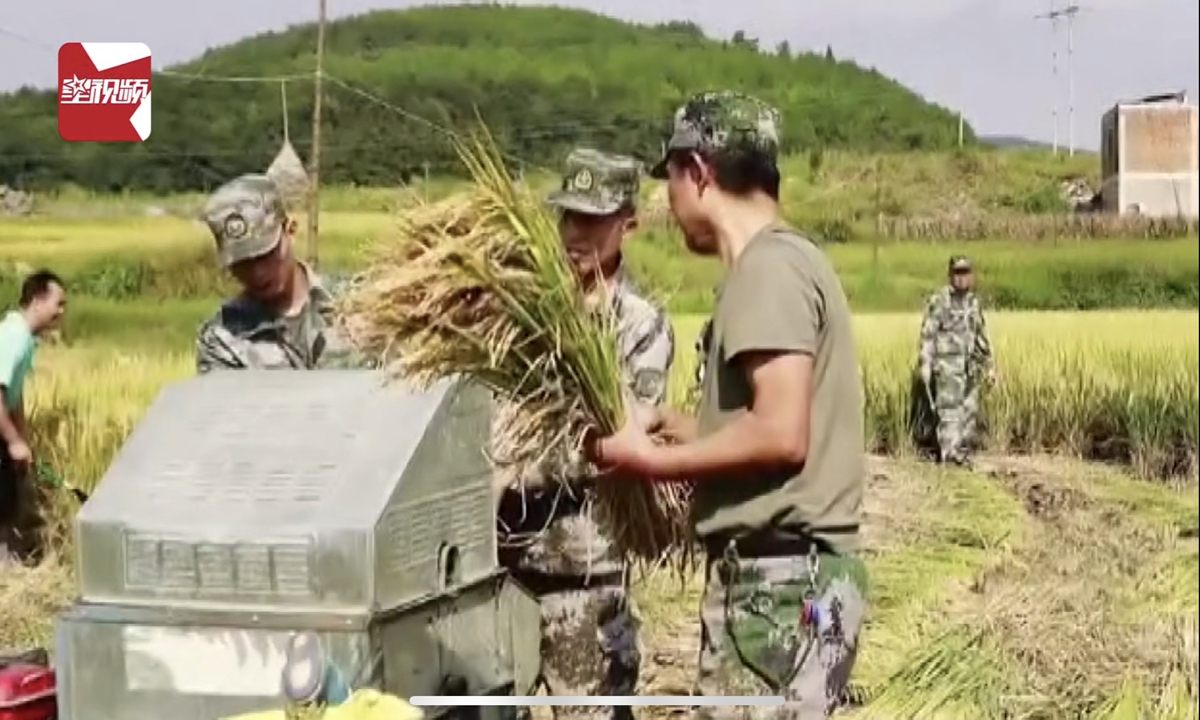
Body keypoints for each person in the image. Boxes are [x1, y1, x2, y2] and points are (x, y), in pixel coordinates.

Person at [585, 91, 868, 719]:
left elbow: (781, 432)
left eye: (672, 181)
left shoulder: (766, 270)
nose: (668, 202)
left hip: (776, 586)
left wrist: (648, 462)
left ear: (700, 173)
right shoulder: (792, 261)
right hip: (803, 581)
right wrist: (686, 429)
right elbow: (782, 424)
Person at [493, 147, 674, 720]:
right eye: (569, 216)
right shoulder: (523, 311)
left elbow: (626, 439)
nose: (577, 232)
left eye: (594, 220)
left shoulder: (640, 322)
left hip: (586, 572)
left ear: (628, 223)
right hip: (506, 566)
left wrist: (523, 453)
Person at [195, 173, 365, 372]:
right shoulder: (222, 340)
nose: (258, 273)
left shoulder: (361, 302)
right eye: (243, 263)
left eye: (266, 254)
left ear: (290, 231)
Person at [0, 270, 67, 562]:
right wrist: (14, 442)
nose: (61, 312)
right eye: (59, 304)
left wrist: (23, 438)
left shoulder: (23, 339)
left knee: (8, 499)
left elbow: (13, 396)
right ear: (38, 301)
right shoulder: (13, 336)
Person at [915, 255, 996, 467]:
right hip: (948, 368)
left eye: (965, 273)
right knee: (950, 412)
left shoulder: (973, 303)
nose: (961, 278)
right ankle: (949, 454)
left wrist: (989, 366)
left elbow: (981, 336)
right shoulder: (940, 301)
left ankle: (961, 451)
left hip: (970, 368)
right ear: (950, 275)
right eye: (957, 273)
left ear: (971, 275)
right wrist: (925, 363)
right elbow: (928, 335)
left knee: (968, 412)